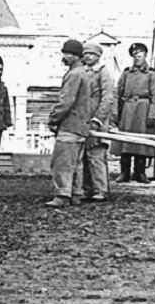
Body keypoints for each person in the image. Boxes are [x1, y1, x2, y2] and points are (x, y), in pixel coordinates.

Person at [45, 40, 91, 207]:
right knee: (76, 164)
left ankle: (63, 195)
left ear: (77, 56)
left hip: (69, 125)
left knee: (63, 162)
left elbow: (66, 102)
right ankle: (76, 194)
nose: (64, 56)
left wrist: (53, 119)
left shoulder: (74, 75)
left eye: (68, 53)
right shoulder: (83, 73)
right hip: (81, 126)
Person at [113, 42, 155, 184]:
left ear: (145, 55)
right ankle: (124, 172)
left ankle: (140, 173)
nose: (137, 57)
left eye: (140, 55)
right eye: (135, 55)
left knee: (141, 142)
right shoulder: (127, 73)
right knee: (125, 141)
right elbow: (117, 93)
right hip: (128, 110)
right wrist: (115, 113)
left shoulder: (151, 74)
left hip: (143, 110)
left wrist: (153, 115)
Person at [82, 43, 116, 201]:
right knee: (84, 156)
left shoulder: (103, 72)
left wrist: (98, 119)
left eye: (92, 54)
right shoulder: (81, 72)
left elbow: (108, 98)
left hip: (97, 120)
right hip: (83, 119)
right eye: (86, 54)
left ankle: (101, 189)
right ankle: (87, 188)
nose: (88, 56)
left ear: (98, 56)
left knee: (96, 156)